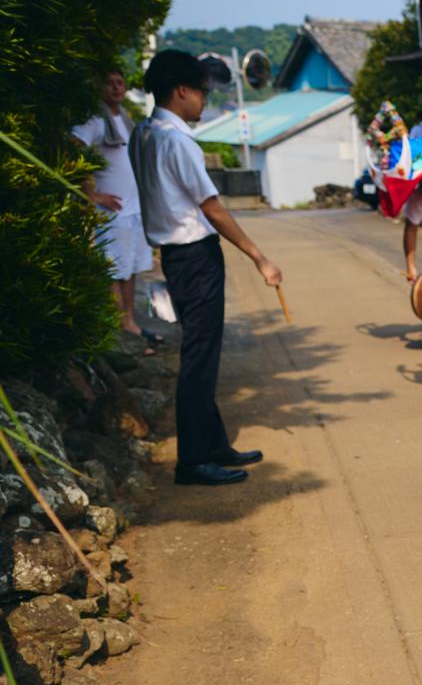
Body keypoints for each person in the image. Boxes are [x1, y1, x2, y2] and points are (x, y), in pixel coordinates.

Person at [130, 50, 281, 487]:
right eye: (202, 92)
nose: (204, 101)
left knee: (202, 350)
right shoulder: (177, 141)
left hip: (176, 256)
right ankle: (193, 461)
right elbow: (212, 208)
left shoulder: (143, 133)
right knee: (199, 357)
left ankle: (214, 444)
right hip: (195, 255)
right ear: (182, 91)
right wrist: (259, 257)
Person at [71, 70, 159, 354]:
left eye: (120, 82)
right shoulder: (94, 120)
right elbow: (72, 150)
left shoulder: (124, 118)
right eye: (109, 82)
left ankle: (129, 323)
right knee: (114, 272)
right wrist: (91, 195)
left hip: (132, 209)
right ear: (99, 86)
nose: (116, 87)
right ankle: (121, 331)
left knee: (130, 269)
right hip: (111, 213)